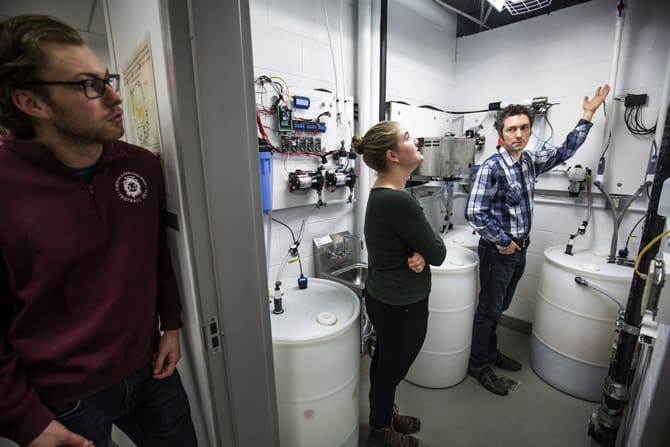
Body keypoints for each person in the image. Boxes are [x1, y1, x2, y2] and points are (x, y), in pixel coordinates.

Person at [0, 15, 197, 446]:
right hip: (66, 397)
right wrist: (24, 420)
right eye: (88, 85)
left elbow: (154, 255)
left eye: (105, 78)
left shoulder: (140, 166)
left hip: (151, 370)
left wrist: (172, 325)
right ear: (32, 103)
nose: (114, 96)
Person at [465, 85, 611, 395]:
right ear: (501, 135)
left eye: (523, 128)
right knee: (489, 309)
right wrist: (503, 241)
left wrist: (587, 115)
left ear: (529, 131)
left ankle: (489, 351)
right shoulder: (492, 168)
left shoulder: (527, 162)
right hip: (499, 251)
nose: (518, 134)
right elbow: (475, 213)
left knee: (500, 305)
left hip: (519, 249)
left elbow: (563, 152)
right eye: (511, 129)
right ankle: (478, 364)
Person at [353, 121, 447, 447]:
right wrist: (426, 249)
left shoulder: (383, 192)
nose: (416, 138)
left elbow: (420, 247)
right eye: (408, 137)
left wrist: (420, 249)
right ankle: (380, 433)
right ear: (393, 155)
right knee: (390, 371)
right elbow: (439, 252)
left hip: (384, 299)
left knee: (383, 365)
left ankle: (385, 415)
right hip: (402, 305)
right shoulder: (399, 201)